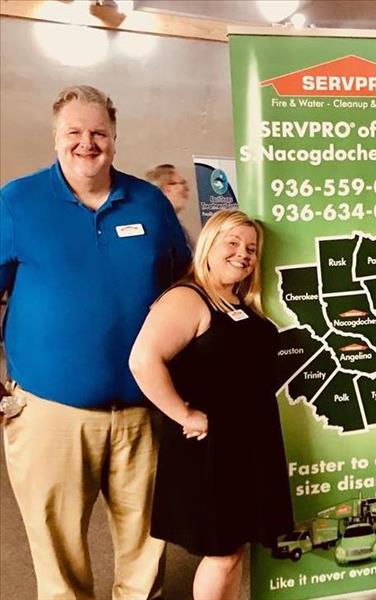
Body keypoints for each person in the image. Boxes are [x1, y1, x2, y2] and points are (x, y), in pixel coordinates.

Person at [0, 85, 190, 599]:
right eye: (75, 133)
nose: (87, 143)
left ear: (114, 138)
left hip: (144, 414)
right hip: (49, 416)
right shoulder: (17, 201)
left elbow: (183, 285)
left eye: (99, 132)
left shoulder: (148, 202)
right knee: (57, 557)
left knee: (146, 549)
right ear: (56, 137)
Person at [129, 209, 293, 600]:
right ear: (209, 245)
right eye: (232, 243)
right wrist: (184, 414)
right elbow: (142, 360)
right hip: (211, 448)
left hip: (247, 442)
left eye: (251, 248)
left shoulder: (237, 301)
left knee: (234, 551)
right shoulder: (188, 297)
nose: (243, 254)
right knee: (221, 552)